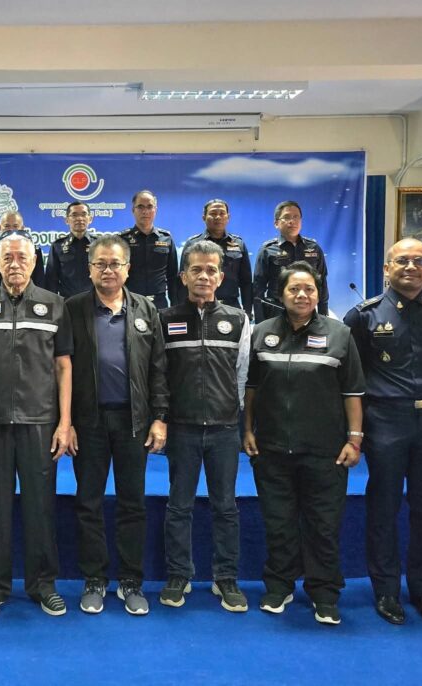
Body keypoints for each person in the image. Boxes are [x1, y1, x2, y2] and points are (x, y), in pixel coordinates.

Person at [343, 238, 422, 627]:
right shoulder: (364, 316)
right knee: (384, 506)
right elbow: (353, 374)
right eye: (402, 261)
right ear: (386, 269)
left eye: (419, 261)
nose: (411, 267)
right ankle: (386, 590)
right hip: (386, 420)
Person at [243, 261, 365, 625]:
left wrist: (355, 439)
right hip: (272, 449)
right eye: (294, 289)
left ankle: (324, 592)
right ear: (281, 295)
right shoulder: (261, 332)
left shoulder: (339, 334)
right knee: (278, 523)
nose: (302, 295)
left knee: (323, 525)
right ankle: (279, 585)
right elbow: (251, 388)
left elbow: (353, 391)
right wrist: (247, 430)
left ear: (318, 293)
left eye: (309, 289)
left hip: (325, 451)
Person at [0, 232, 73, 620]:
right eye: (7, 257)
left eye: (22, 257)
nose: (15, 264)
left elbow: (63, 366)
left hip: (40, 423)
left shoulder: (55, 304)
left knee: (40, 508)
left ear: (34, 262)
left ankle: (43, 584)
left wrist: (65, 422)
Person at [65, 234, 168, 616]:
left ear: (128, 268)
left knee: (132, 503)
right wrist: (66, 422)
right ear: (89, 268)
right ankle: (94, 579)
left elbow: (158, 367)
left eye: (115, 264)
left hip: (133, 421)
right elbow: (61, 369)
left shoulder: (146, 308)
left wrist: (159, 417)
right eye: (101, 264)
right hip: (88, 420)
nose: (108, 270)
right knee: (88, 502)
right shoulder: (72, 308)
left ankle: (130, 581)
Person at [158, 240, 251, 613]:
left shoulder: (238, 320)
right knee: (178, 506)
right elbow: (159, 375)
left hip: (225, 431)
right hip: (181, 429)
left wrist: (234, 415)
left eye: (211, 270)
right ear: (183, 276)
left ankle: (225, 578)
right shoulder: (165, 319)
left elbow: (243, 375)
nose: (203, 276)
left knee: (225, 507)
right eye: (196, 269)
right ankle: (178, 575)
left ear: (221, 277)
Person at [252, 201, 329, 321]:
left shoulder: (314, 248)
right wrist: (260, 321)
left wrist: (323, 315)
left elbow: (322, 282)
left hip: (306, 308)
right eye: (287, 217)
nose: (292, 221)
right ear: (276, 223)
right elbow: (258, 287)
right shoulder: (267, 250)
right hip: (277, 310)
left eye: (296, 217)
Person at [181, 199, 253, 317]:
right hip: (199, 306)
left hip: (231, 307)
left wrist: (248, 312)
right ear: (204, 217)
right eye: (213, 213)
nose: (218, 217)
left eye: (222, 213)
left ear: (228, 217)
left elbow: (246, 282)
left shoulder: (238, 244)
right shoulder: (193, 244)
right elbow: (183, 280)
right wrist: (183, 309)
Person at [118, 190, 178, 309]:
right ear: (133, 210)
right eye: (140, 207)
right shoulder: (122, 240)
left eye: (150, 207)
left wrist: (175, 306)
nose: (145, 211)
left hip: (159, 303)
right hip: (130, 301)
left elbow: (173, 276)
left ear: (155, 210)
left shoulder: (166, 238)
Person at [0, 210, 44, 295]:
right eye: (7, 226)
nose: (11, 230)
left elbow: (40, 285)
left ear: (22, 228)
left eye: (15, 226)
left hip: (27, 301)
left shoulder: (34, 252)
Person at [46, 201, 97, 298]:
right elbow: (51, 280)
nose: (79, 218)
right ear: (66, 220)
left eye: (84, 214)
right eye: (74, 215)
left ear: (90, 219)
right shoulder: (57, 246)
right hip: (67, 302)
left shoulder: (99, 245)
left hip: (95, 301)